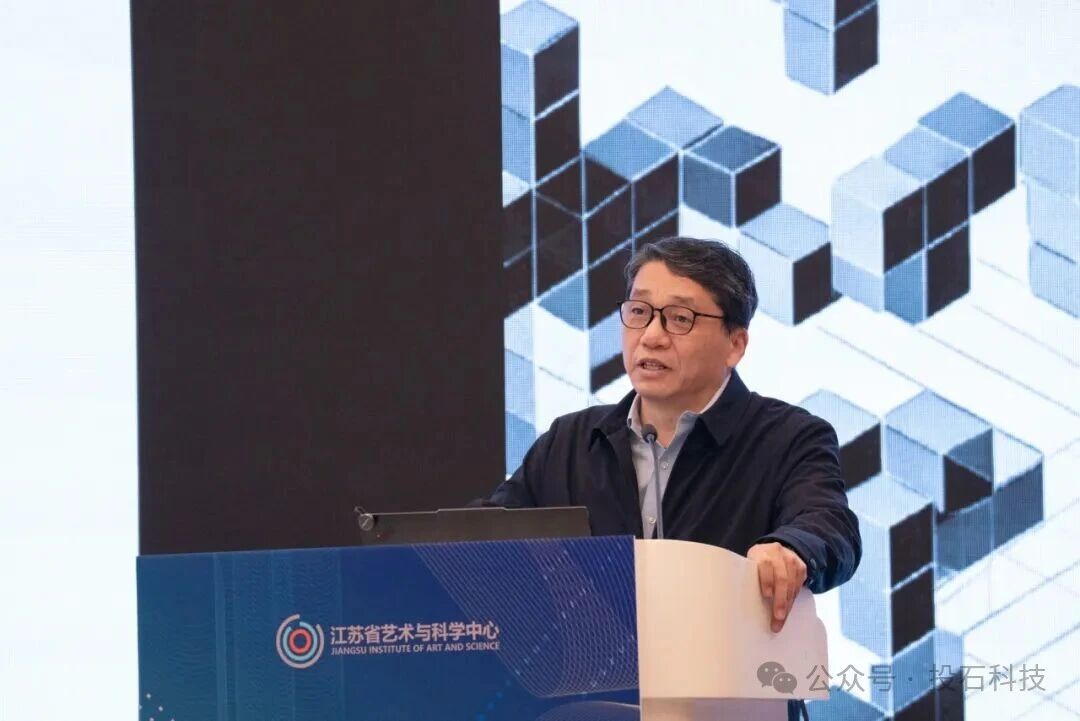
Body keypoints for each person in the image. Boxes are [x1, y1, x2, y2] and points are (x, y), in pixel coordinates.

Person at [489, 236, 861, 627]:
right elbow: (486, 536)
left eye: (680, 318)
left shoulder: (789, 438)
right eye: (639, 312)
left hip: (728, 662)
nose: (651, 336)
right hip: (594, 663)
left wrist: (789, 547)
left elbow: (830, 525)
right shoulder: (571, 441)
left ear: (735, 344)